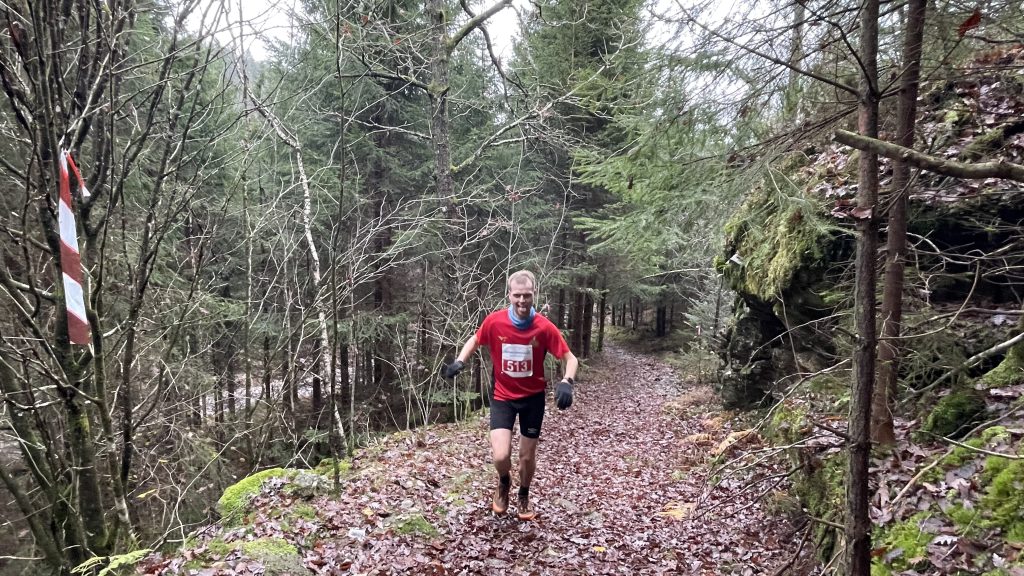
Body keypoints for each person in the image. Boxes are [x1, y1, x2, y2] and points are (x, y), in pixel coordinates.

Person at [441, 270, 578, 521]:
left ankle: (523, 494)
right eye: (517, 296)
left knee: (526, 456)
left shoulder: (544, 328)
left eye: (527, 296)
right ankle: (504, 482)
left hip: (533, 399)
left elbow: (570, 358)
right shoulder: (495, 322)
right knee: (501, 455)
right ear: (509, 295)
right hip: (503, 396)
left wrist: (567, 381)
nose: (522, 301)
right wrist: (459, 361)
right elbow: (475, 339)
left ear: (533, 294)